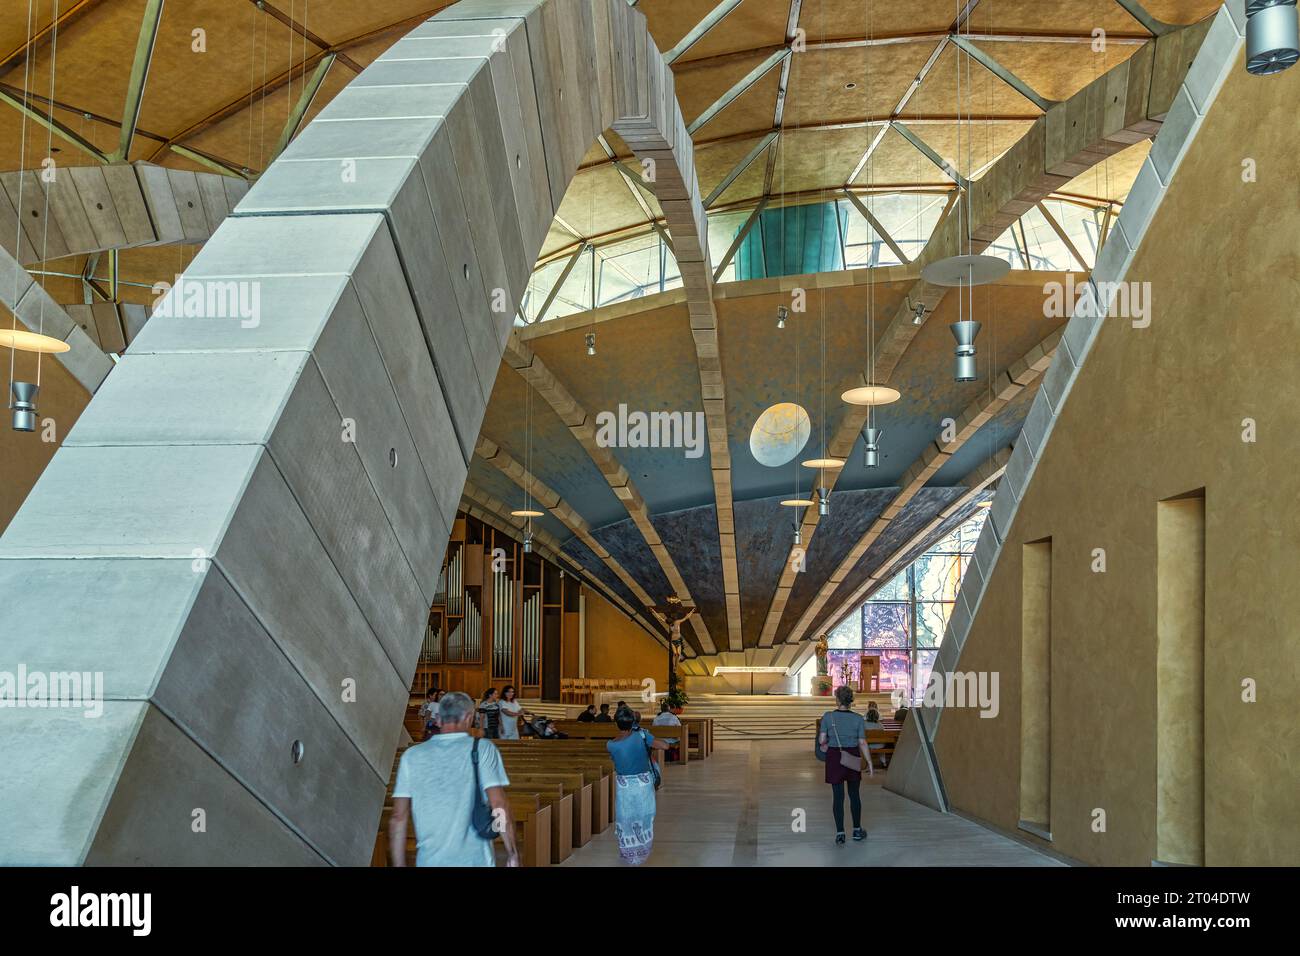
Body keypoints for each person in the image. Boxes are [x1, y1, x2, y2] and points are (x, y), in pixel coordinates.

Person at [388, 691, 520, 867]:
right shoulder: (483, 748)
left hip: (429, 861)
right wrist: (512, 852)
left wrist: (399, 865)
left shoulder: (411, 756)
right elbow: (499, 805)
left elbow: (398, 817)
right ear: (468, 717)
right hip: (475, 860)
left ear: (439, 719)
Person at [607, 706, 669, 865]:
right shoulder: (641, 735)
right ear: (632, 722)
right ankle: (642, 850)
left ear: (616, 723)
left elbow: (617, 761)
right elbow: (664, 746)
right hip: (643, 784)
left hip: (624, 786)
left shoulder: (610, 744)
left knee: (626, 817)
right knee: (645, 816)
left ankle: (629, 852)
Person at [818, 684, 868, 845]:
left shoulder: (828, 717)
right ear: (851, 700)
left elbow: (821, 740)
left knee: (838, 796)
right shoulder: (858, 719)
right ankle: (857, 830)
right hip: (852, 755)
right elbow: (862, 742)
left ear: (837, 699)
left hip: (834, 757)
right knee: (854, 795)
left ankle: (840, 833)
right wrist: (870, 764)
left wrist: (824, 744)